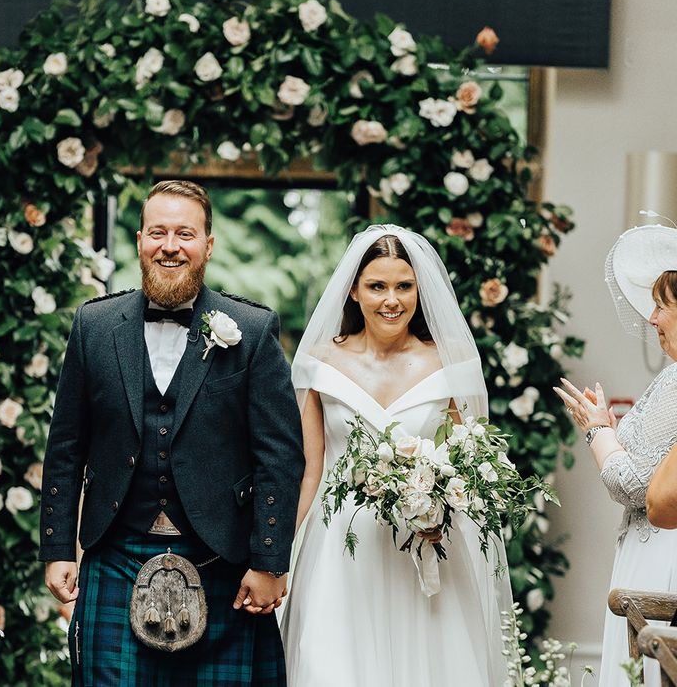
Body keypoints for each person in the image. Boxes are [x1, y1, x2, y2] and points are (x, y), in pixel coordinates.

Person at [39, 179, 305, 685]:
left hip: (223, 562)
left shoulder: (251, 330)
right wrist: (56, 549)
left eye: (185, 233)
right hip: (116, 553)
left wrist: (270, 561)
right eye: (157, 232)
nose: (170, 246)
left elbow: (280, 457)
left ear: (208, 244)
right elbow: (66, 448)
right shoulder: (94, 326)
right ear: (139, 240)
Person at [279, 224, 510, 686]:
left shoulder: (451, 360)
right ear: (353, 292)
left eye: (404, 286)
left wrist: (441, 512)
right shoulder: (319, 361)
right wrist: (275, 554)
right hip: (339, 547)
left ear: (420, 291)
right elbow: (308, 470)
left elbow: (470, 461)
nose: (392, 300)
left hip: (424, 545)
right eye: (377, 286)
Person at [554, 224, 677, 687]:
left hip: (661, 553)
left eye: (661, 306)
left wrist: (597, 431)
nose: (651, 319)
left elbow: (632, 484)